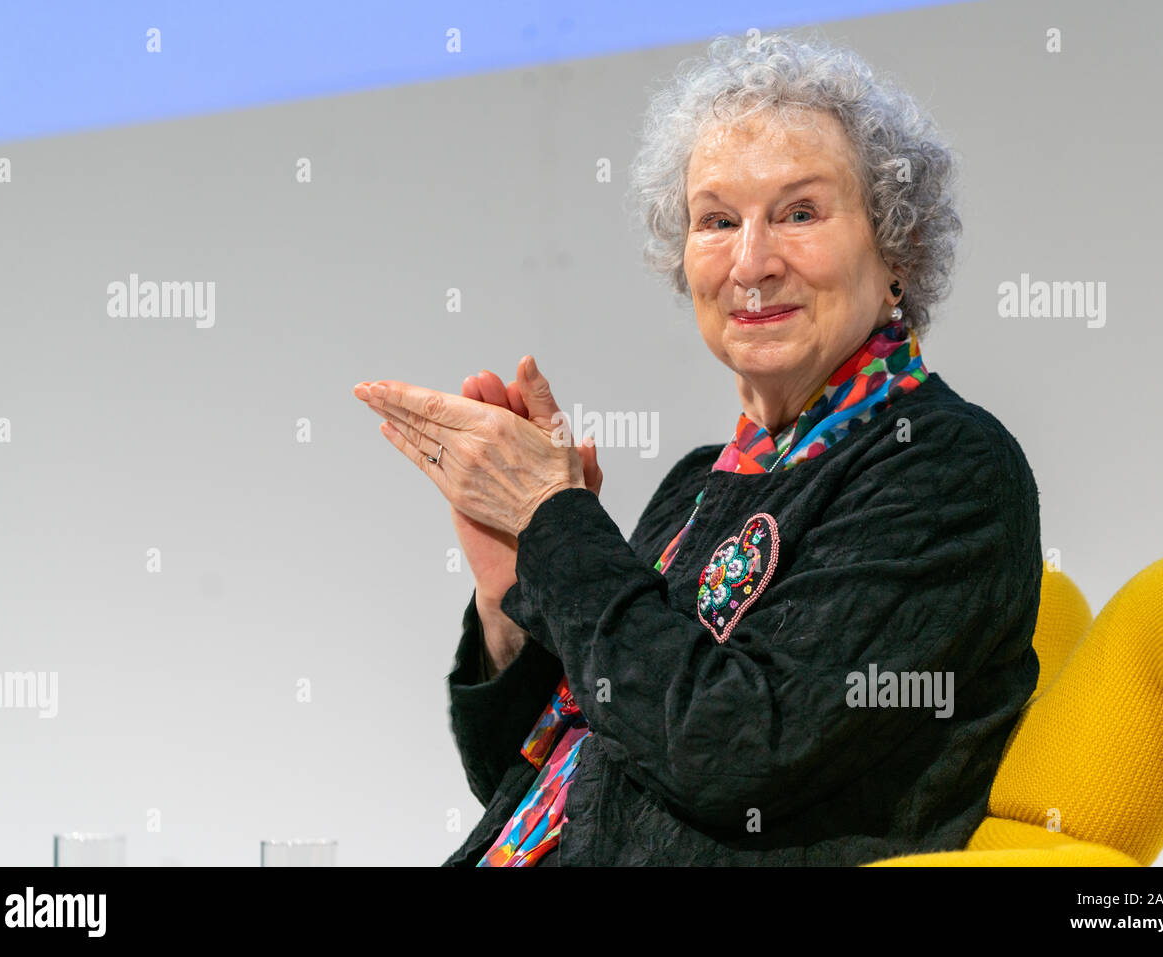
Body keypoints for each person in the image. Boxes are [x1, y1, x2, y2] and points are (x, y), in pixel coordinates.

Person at [354, 31, 1042, 866]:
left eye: (799, 212)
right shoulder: (698, 484)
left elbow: (732, 752)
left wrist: (556, 523)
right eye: (717, 220)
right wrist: (512, 587)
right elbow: (541, 780)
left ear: (896, 249)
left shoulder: (943, 466)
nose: (751, 262)